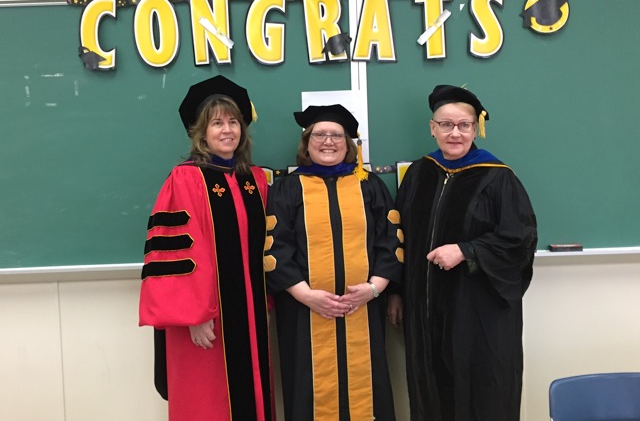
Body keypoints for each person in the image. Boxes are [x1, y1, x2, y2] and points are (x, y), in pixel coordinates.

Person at [389, 85, 537, 421]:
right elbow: (398, 237)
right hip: (424, 311)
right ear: (432, 128)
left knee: (480, 389)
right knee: (430, 391)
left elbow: (520, 239)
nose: (455, 133)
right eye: (446, 125)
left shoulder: (498, 178)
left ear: (475, 128)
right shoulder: (419, 174)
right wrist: (396, 291)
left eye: (464, 125)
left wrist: (467, 251)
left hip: (477, 311)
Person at [138, 75, 273, 421]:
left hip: (250, 314)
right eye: (217, 123)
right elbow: (175, 254)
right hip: (205, 319)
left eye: (233, 122)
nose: (227, 130)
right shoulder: (185, 179)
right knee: (208, 400)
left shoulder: (255, 180)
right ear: (201, 132)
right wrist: (194, 316)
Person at [264, 104, 404, 421]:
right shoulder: (287, 188)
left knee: (367, 387)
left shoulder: (369, 185)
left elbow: (390, 240)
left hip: (363, 307)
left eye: (337, 135)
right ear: (307, 143)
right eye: (319, 135)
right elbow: (276, 247)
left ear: (348, 143)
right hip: (303, 310)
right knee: (309, 388)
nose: (328, 141)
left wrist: (374, 289)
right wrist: (306, 295)